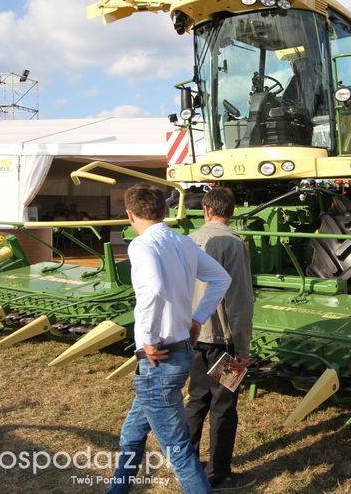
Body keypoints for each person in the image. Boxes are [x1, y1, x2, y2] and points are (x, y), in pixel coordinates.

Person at [109, 184, 231, 494]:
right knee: (132, 434)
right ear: (165, 211)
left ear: (130, 215)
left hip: (157, 358)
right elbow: (221, 278)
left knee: (177, 449)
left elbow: (152, 289)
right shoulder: (183, 242)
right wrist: (197, 318)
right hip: (178, 353)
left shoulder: (141, 246)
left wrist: (148, 338)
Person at [185, 187, 255, 490]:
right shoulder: (233, 245)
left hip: (192, 335)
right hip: (223, 342)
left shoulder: (187, 242)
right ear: (233, 211)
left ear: (205, 209)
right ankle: (219, 474)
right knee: (223, 405)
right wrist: (242, 348)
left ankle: (185, 463)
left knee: (197, 399)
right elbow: (239, 300)